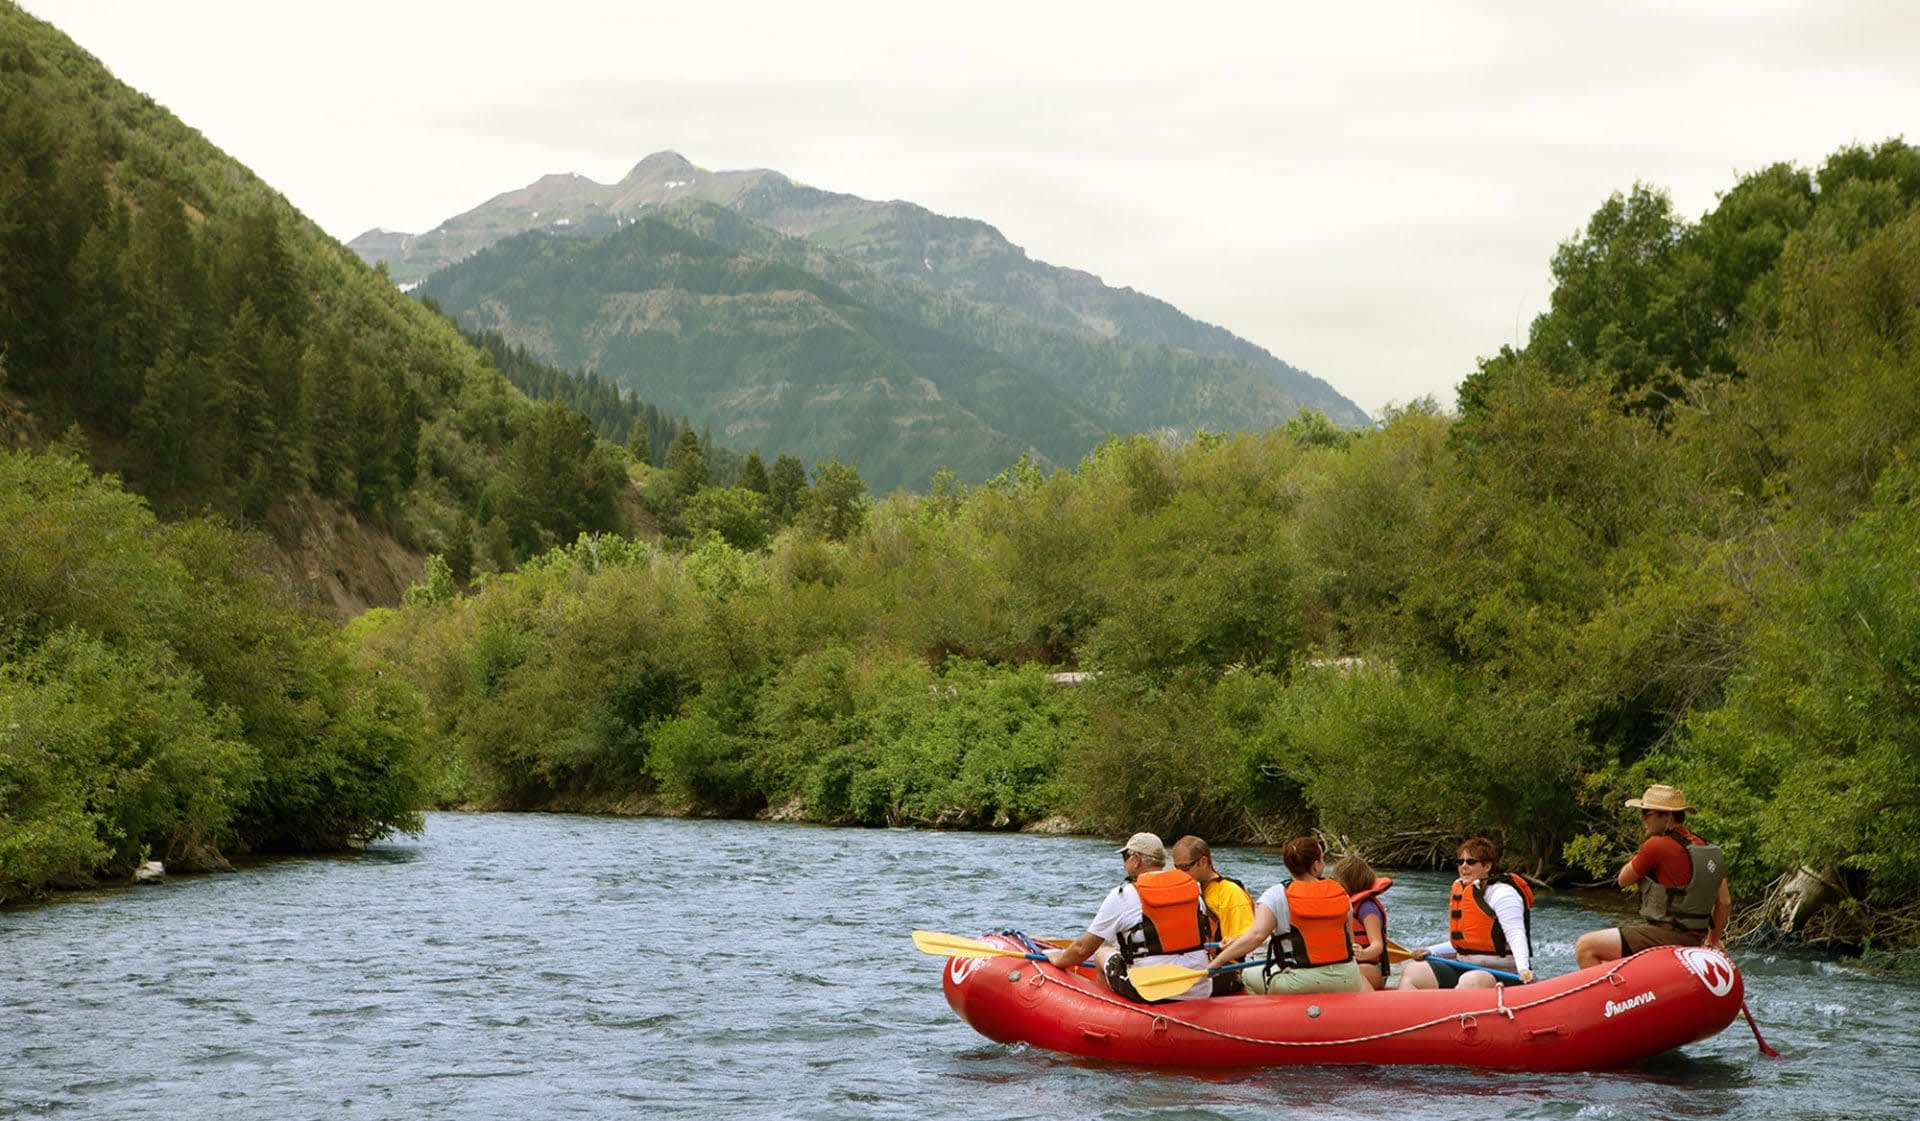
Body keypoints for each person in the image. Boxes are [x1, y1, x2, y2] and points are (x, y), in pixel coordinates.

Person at [1573, 784, 1731, 969]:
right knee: (1614, 958)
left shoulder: (1656, 845)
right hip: (1696, 939)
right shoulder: (1710, 849)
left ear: (1666, 816)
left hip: (1665, 935)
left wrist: (1644, 853)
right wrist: (1712, 940)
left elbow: (1623, 879)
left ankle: (1609, 998)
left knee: (1586, 947)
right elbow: (1725, 902)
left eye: (1646, 813)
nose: (1641, 818)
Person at [1047, 832, 1212, 1002]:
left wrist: (1058, 959)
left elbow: (1082, 949)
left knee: (1102, 953)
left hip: (1150, 990)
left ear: (1136, 859)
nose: (1124, 863)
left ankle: (1109, 1011)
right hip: (1199, 987)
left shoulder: (1124, 895)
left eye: (1125, 857)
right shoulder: (1193, 891)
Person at [1210, 836, 1367, 995]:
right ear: (1315, 865)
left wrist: (1217, 963)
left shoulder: (1276, 895)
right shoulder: (1341, 894)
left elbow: (1256, 936)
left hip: (1301, 984)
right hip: (1348, 979)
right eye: (1322, 859)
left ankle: (1272, 1017)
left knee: (1249, 975)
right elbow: (1349, 939)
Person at [1399, 836, 1536, 990]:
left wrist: (1524, 970)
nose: (1463, 867)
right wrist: (1431, 951)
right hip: (1462, 967)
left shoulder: (1503, 894)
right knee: (1413, 972)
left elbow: (1516, 935)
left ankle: (1449, 1012)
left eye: (1471, 862)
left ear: (1487, 866)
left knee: (1472, 980)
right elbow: (1468, 943)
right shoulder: (1461, 888)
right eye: (1460, 862)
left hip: (1501, 973)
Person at [1172, 835, 1256, 994]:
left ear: (1204, 862)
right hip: (1203, 963)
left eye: (1185, 868)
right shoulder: (1194, 890)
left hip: (1229, 969)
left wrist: (1214, 964)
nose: (1180, 874)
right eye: (1176, 868)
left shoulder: (1230, 893)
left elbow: (1247, 940)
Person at [1331, 853, 1392, 990]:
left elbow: (1377, 945)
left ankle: (1372, 1006)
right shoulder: (1343, 905)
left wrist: (1363, 954)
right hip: (1351, 965)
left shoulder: (1367, 909)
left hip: (1372, 969)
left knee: (1352, 973)